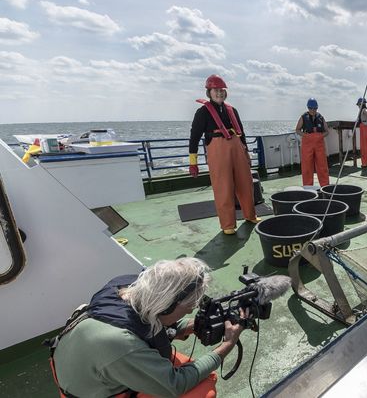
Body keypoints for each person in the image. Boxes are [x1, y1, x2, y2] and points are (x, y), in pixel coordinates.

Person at [49, 258, 245, 398]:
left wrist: (193, 326)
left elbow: (145, 324)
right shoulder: (123, 345)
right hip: (96, 391)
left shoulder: (127, 290)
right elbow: (175, 385)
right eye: (188, 309)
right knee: (202, 389)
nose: (190, 312)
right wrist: (227, 345)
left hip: (97, 369)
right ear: (166, 305)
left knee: (187, 366)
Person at [188, 74, 259, 235]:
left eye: (221, 90)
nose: (219, 93)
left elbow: (242, 133)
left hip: (237, 147)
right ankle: (228, 224)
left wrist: (246, 152)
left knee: (245, 182)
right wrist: (193, 161)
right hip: (217, 149)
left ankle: (250, 214)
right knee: (223, 187)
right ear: (209, 92)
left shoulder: (232, 110)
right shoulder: (202, 112)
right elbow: (194, 137)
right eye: (215, 90)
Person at [295, 98, 330, 187]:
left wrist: (321, 136)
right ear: (308, 108)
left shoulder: (321, 117)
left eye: (315, 108)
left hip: (319, 144)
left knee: (322, 166)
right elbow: (297, 130)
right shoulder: (303, 117)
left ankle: (325, 186)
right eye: (311, 108)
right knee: (307, 167)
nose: (313, 110)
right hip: (307, 144)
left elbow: (327, 131)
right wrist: (305, 135)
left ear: (317, 108)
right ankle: (308, 187)